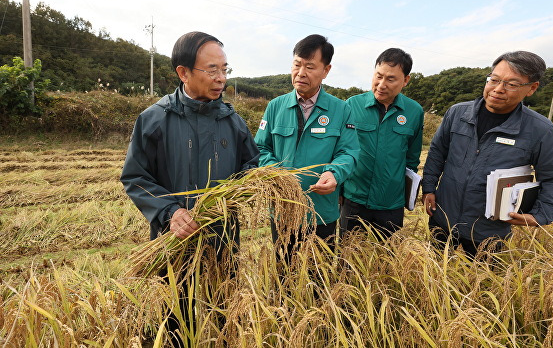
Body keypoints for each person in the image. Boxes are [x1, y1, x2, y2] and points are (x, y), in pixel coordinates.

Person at [120, 31, 259, 344]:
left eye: (225, 69)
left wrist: (239, 192)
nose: (221, 78)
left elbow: (251, 166)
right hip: (173, 243)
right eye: (212, 70)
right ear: (183, 72)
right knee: (171, 321)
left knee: (222, 317)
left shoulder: (232, 121)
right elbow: (136, 176)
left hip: (222, 241)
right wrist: (170, 212)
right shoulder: (154, 119)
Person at [422, 51, 553, 258]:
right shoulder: (457, 113)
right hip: (442, 217)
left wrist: (540, 214)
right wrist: (429, 187)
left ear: (532, 88)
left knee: (480, 283)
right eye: (494, 80)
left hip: (489, 230)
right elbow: (437, 152)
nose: (497, 89)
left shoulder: (541, 131)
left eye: (511, 84)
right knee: (431, 274)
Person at [254, 34, 359, 261]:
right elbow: (260, 149)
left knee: (318, 279)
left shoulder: (341, 109)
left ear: (326, 70)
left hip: (321, 213)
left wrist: (334, 173)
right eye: (297, 64)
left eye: (310, 67)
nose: (301, 73)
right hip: (283, 212)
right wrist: (278, 174)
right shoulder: (275, 106)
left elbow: (349, 152)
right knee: (283, 276)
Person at [340, 48, 423, 239]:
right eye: (378, 76)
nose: (381, 84)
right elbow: (342, 151)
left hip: (391, 204)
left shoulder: (414, 111)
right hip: (354, 199)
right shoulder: (352, 105)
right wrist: (341, 191)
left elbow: (412, 158)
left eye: (391, 79)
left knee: (386, 261)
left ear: (405, 80)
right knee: (348, 259)